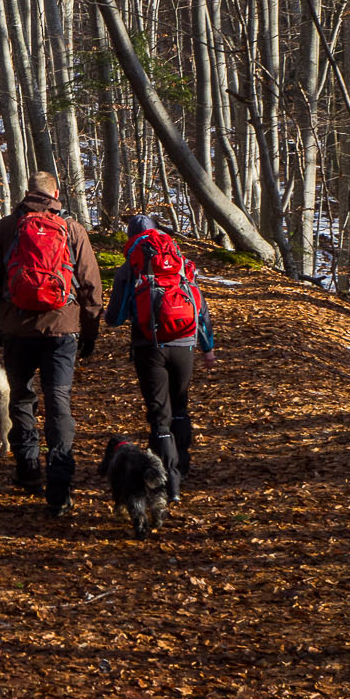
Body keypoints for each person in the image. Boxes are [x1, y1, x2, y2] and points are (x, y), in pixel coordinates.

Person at [0, 170, 105, 517]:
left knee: (21, 397)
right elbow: (91, 288)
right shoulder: (73, 230)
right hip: (62, 330)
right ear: (56, 193)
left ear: (27, 193)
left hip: (17, 330)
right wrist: (88, 334)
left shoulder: (5, 229)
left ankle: (28, 469)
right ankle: (60, 485)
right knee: (58, 400)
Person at [105, 214, 215, 501]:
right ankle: (183, 467)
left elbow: (114, 317)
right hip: (185, 343)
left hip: (149, 346)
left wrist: (128, 313)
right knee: (180, 405)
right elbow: (200, 308)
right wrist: (208, 347)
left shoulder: (130, 266)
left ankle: (168, 482)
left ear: (131, 238)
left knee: (159, 418)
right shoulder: (179, 263)